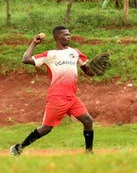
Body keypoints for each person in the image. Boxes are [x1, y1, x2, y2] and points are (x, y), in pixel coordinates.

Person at [10, 27, 96, 156]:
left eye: (69, 34)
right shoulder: (49, 55)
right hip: (57, 97)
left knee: (88, 120)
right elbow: (25, 59)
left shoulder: (75, 52)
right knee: (46, 128)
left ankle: (89, 152)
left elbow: (88, 72)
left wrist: (97, 70)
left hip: (72, 97)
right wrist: (34, 43)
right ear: (57, 37)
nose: (69, 37)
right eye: (65, 35)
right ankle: (18, 148)